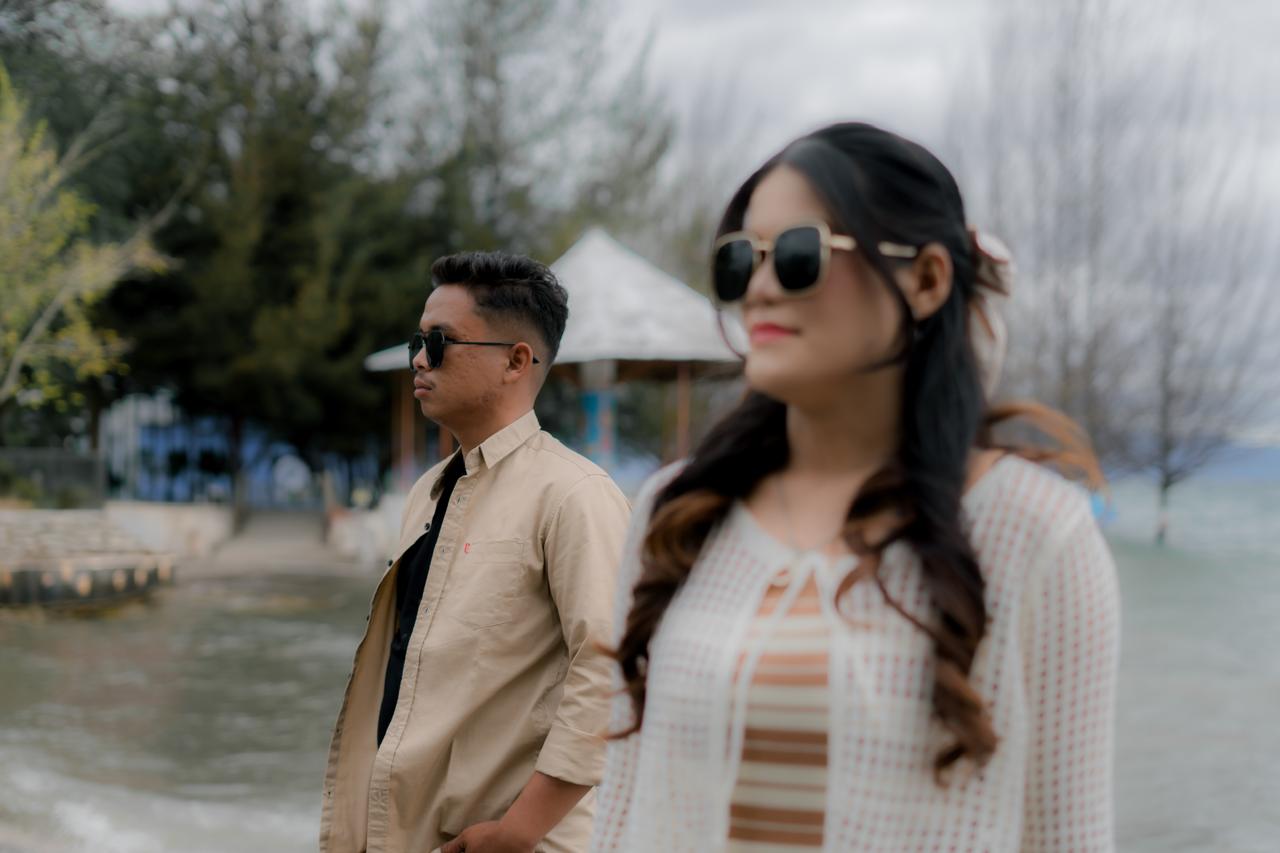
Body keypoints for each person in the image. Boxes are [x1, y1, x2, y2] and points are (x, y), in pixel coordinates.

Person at [592, 122, 1121, 852]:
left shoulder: (1032, 531)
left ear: (927, 280)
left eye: (800, 254)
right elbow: (619, 806)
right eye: (740, 261)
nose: (760, 288)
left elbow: (1069, 836)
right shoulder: (677, 511)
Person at [320, 251, 631, 853]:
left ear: (516, 361)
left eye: (440, 342)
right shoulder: (428, 491)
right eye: (418, 341)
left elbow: (612, 670)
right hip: (402, 831)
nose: (419, 359)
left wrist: (518, 831)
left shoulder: (575, 496)